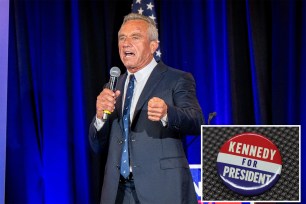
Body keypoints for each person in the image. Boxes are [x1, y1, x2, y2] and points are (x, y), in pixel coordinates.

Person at [89, 13, 204, 204]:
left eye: (135, 37)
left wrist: (168, 113)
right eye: (122, 38)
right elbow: (97, 146)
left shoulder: (176, 79)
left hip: (162, 189)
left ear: (153, 45)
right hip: (118, 193)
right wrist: (100, 118)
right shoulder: (112, 87)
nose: (126, 43)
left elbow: (196, 121)